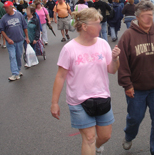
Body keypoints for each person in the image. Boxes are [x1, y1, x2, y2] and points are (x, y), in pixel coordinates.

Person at [51, 8, 121, 155]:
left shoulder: (102, 44)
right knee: (89, 138)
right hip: (78, 101)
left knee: (105, 136)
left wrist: (115, 59)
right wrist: (54, 103)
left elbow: (112, 70)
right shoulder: (69, 49)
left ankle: (96, 147)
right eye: (97, 23)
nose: (100, 27)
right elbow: (60, 76)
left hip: (102, 97)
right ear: (84, 26)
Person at [118, 0, 154, 155]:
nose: (149, 19)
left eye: (151, 15)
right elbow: (123, 62)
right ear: (137, 17)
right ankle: (129, 135)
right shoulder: (128, 36)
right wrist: (127, 85)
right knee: (135, 119)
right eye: (145, 16)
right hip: (136, 89)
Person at [0, 1, 30, 81]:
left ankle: (18, 70)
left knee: (18, 56)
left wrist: (27, 37)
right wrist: (7, 39)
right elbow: (2, 30)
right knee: (12, 56)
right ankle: (14, 73)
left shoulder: (19, 15)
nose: (6, 9)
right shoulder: (4, 18)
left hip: (20, 40)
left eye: (7, 8)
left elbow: (24, 27)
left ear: (11, 7)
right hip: (11, 42)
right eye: (5, 8)